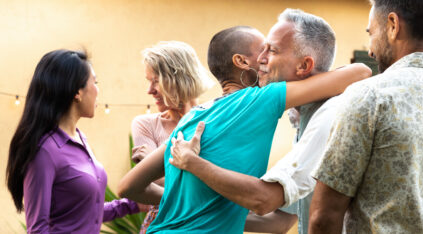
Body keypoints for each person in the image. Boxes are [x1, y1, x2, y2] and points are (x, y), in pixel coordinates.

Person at [118, 22, 371, 233]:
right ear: (240, 61)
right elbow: (359, 72)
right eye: (263, 50)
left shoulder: (192, 118)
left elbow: (127, 187)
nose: (265, 58)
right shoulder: (261, 99)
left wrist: (192, 199)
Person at [308, 0, 423, 233]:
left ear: (392, 25)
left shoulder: (370, 98)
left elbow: (324, 218)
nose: (370, 49)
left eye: (371, 33)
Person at [168, 8, 340, 234]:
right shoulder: (299, 117)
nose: (260, 59)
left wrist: (193, 163)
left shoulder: (329, 115)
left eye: (272, 50)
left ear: (304, 66)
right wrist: (201, 210)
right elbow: (280, 222)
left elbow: (264, 199)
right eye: (263, 49)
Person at [6, 49, 140, 233]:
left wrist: (134, 205)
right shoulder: (44, 151)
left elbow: (85, 213)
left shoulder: (80, 138)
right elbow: (38, 229)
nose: (98, 90)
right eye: (95, 82)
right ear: (77, 91)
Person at [130, 41, 212, 233]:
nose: (149, 90)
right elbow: (147, 183)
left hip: (208, 225)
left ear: (179, 78)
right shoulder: (145, 124)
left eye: (155, 81)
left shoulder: (213, 122)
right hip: (162, 224)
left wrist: (157, 165)